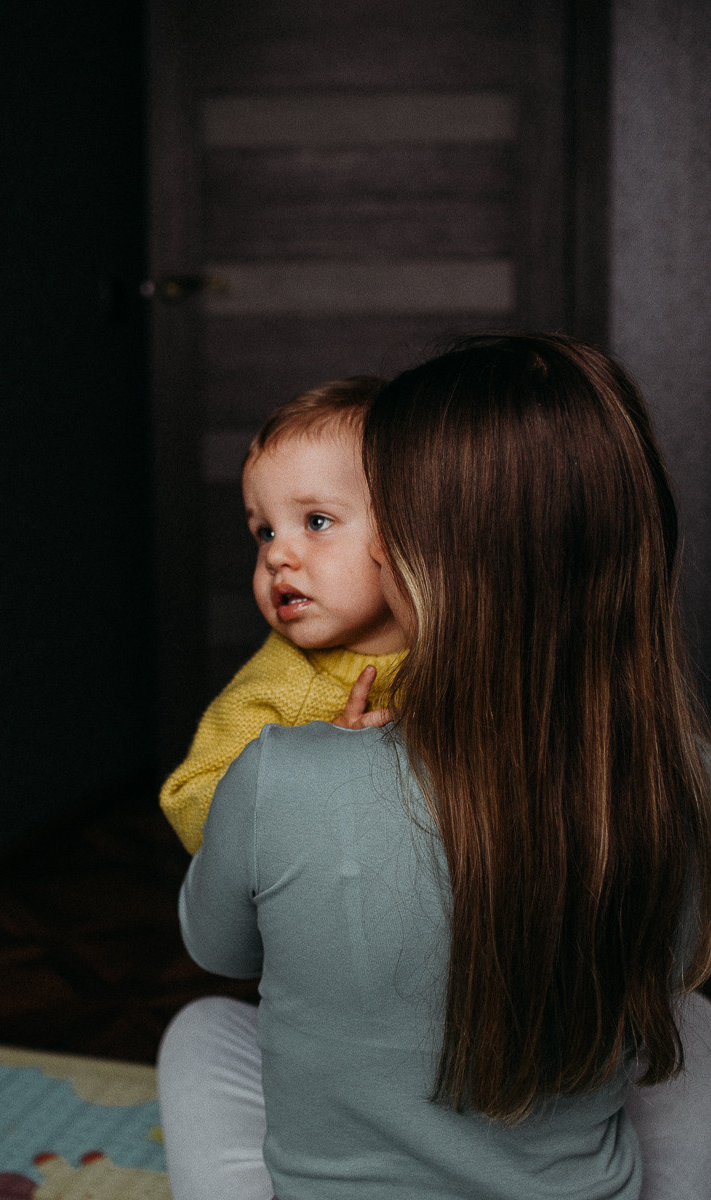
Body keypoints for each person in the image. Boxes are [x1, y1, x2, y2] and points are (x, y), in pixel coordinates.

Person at [158, 334, 711, 1200]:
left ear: (421, 553)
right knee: (690, 1023)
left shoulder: (280, 772)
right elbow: (672, 966)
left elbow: (218, 945)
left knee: (201, 1028)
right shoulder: (681, 778)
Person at [160, 377, 406, 855]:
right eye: (265, 532)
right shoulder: (277, 689)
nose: (276, 556)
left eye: (317, 521)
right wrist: (313, 771)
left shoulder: (459, 643)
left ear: (403, 530)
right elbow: (188, 802)